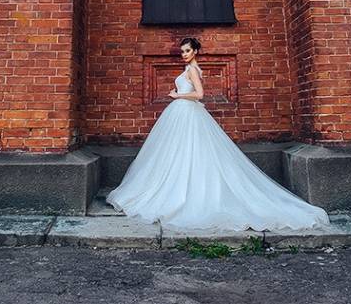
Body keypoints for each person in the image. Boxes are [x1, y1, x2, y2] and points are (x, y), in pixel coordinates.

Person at [106, 36, 330, 231]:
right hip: (182, 113)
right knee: (181, 152)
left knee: (188, 151)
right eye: (182, 51)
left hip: (187, 111)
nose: (184, 54)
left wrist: (177, 96)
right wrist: (178, 91)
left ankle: (185, 194)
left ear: (195, 51)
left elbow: (200, 94)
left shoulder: (192, 70)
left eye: (187, 51)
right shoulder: (190, 69)